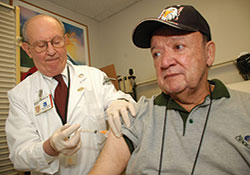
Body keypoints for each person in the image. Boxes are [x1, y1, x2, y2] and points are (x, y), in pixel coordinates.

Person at [89, 5, 250, 175]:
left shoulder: (245, 109)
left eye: (178, 47)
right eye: (157, 54)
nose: (165, 62)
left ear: (208, 53)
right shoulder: (138, 114)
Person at [5, 14, 135, 175]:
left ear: (65, 41)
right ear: (28, 50)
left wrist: (120, 101)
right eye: (41, 45)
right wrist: (50, 148)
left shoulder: (94, 76)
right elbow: (19, 157)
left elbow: (119, 102)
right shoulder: (19, 95)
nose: (51, 51)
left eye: (56, 42)